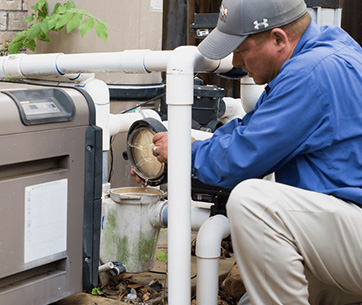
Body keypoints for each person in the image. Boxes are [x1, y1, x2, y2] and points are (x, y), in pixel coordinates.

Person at [132, 0, 362, 304]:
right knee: (252, 300)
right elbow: (254, 128)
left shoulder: (311, 74)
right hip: (347, 228)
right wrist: (194, 145)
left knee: (254, 202)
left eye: (241, 49)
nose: (237, 62)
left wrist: (186, 153)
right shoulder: (331, 48)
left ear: (278, 39)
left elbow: (242, 157)